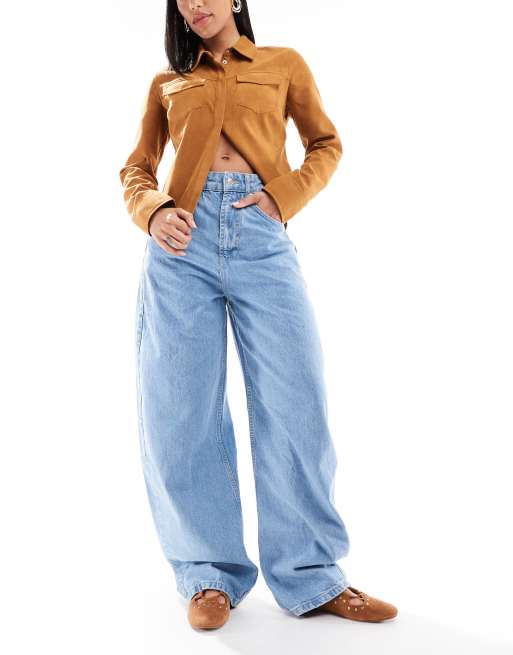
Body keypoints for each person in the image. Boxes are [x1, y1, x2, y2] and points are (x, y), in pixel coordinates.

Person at [119, 0, 398, 630]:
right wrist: (153, 211)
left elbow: (325, 143)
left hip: (261, 235)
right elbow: (137, 167)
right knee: (181, 408)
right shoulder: (167, 82)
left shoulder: (283, 63)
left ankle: (313, 576)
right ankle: (208, 575)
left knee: (296, 399)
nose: (194, 4)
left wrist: (282, 197)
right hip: (180, 245)